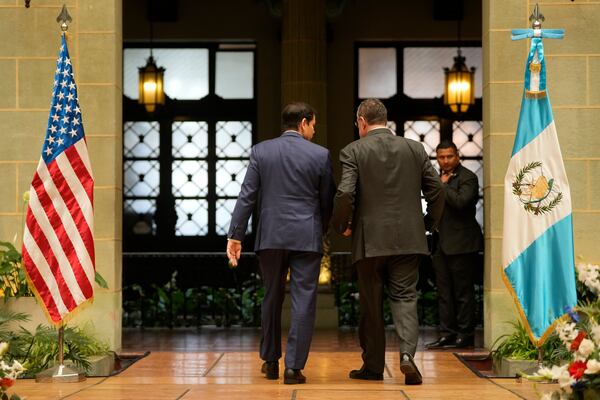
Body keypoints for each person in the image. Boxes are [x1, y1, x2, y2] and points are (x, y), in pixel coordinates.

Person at [331, 98, 444, 385]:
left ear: (362, 122)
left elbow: (345, 194)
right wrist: (427, 224)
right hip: (409, 238)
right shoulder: (414, 149)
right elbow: (437, 191)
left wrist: (342, 225)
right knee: (406, 297)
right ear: (386, 119)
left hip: (370, 241)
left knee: (372, 303)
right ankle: (407, 355)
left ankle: (372, 367)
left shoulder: (353, 151)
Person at [226, 102, 335, 385]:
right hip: (306, 236)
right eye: (313, 124)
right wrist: (319, 230)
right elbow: (327, 201)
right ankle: (293, 367)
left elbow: (247, 195)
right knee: (304, 300)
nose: (314, 129)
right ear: (303, 123)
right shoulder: (321, 154)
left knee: (272, 296)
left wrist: (236, 234)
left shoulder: (261, 151)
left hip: (271, 235)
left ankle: (271, 361)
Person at [425, 141, 483, 349]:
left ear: (457, 156)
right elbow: (433, 208)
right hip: (440, 243)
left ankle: (465, 335)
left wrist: (442, 186)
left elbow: (461, 203)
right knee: (444, 293)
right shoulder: (437, 179)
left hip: (462, 243)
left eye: (449, 156)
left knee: (463, 293)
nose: (445, 161)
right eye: (441, 157)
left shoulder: (468, 177)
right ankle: (447, 334)